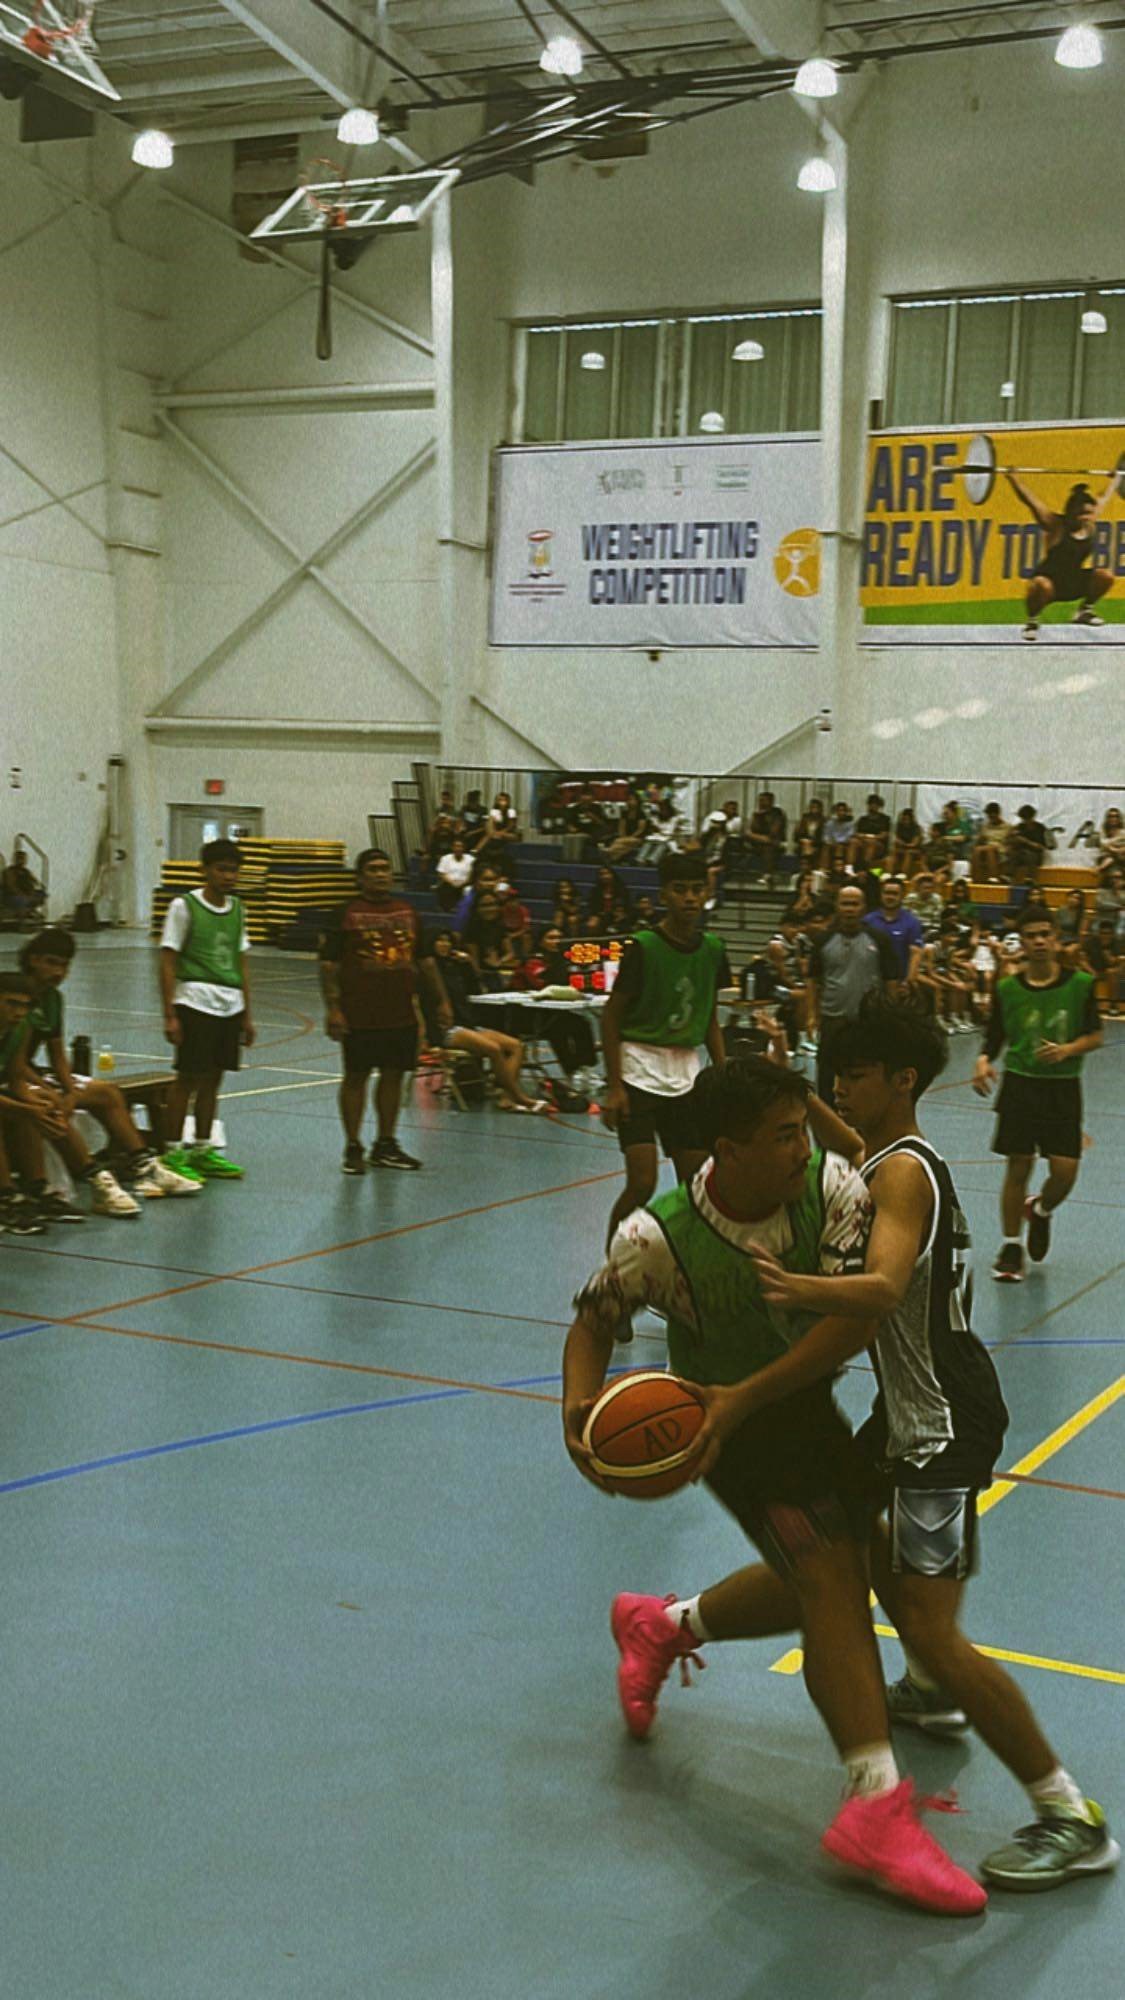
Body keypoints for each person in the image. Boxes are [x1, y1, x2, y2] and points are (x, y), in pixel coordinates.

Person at [563, 1056, 984, 1916]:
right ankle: (873, 1807)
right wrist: (579, 1414)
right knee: (831, 1581)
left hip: (784, 1400)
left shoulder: (829, 1189)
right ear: (727, 1149)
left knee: (837, 1576)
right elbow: (593, 1324)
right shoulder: (655, 1238)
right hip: (726, 1431)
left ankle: (660, 1625)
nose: (807, 1146)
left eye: (803, 1127)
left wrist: (747, 1394)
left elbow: (847, 1322)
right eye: (784, 1134)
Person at [723, 999, 1117, 1895]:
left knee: (931, 1628)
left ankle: (1068, 1814)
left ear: (900, 1079)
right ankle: (680, 1630)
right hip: (908, 1414)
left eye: (852, 1076)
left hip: (936, 1427)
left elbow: (886, 1284)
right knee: (823, 1558)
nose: (839, 1088)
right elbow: (852, 1151)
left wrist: (796, 1290)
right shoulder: (892, 1157)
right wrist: (797, 1091)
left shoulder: (900, 1176)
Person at [598, 849, 728, 1292]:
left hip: (685, 1073)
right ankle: (612, 1275)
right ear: (663, 895)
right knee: (642, 1183)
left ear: (706, 893)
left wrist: (723, 1072)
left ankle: (688, 1275)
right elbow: (611, 1017)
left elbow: (709, 1014)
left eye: (697, 890)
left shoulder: (712, 949)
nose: (690, 899)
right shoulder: (643, 946)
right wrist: (614, 1086)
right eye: (680, 890)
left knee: (699, 1185)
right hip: (638, 1071)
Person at [11, 930, 199, 1214]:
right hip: (17, 1075)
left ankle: (144, 1165)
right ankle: (95, 1180)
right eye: (51, 963)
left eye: (64, 965)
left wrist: (71, 1091)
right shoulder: (15, 994)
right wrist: (52, 1092)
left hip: (35, 1072)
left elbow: (58, 1054)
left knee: (107, 1093)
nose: (58, 972)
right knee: (50, 1106)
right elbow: (14, 1063)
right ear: (33, 960)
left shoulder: (53, 999)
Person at [973, 902, 1102, 1281]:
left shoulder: (1081, 985)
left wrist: (1067, 1050)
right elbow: (994, 1035)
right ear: (1023, 944)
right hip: (1020, 1084)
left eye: (1046, 934)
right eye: (1032, 936)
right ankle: (1011, 1247)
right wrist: (983, 1060)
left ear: (1056, 939)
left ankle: (1041, 1210)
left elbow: (1095, 1035)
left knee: (1064, 1172)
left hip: (1062, 1089)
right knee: (1019, 1165)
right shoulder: (1007, 988)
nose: (1040, 941)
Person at [319, 847, 452, 1175]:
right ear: (360, 876)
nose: (381, 874)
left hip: (400, 1013)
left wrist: (441, 1001)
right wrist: (333, 1009)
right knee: (356, 1077)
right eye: (373, 869)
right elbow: (327, 966)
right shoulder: (345, 913)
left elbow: (426, 962)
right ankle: (353, 1146)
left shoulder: (408, 911)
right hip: (359, 1013)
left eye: (385, 868)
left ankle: (386, 1143)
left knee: (393, 1076)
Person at [0, 969, 141, 1222]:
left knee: (40, 1108)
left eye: (25, 1006)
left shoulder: (19, 1028)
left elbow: (15, 1077)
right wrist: (27, 1108)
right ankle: (6, 1198)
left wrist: (46, 1099)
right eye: (11, 1004)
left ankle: (40, 1191)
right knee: (23, 1112)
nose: (19, 1012)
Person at [159, 838, 254, 1181]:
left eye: (234, 870)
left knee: (214, 1081)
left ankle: (202, 1149)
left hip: (229, 1004)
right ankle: (171, 1153)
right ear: (205, 870)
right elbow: (168, 959)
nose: (229, 876)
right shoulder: (184, 906)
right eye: (222, 869)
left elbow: (241, 962)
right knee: (187, 1079)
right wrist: (170, 1013)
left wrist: (247, 1013)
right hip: (194, 1001)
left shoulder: (239, 909)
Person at [423, 932, 548, 1115]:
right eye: (440, 940)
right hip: (445, 1029)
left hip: (467, 1024)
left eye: (447, 941)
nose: (445, 944)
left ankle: (506, 1098)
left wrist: (468, 964)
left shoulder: (453, 967)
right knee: (493, 1049)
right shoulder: (428, 971)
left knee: (516, 1046)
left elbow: (475, 989)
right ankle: (520, 1096)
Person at [807, 884, 899, 1103]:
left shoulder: (880, 940)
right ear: (837, 907)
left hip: (868, 1023)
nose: (850, 909)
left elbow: (891, 981)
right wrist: (812, 1015)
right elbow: (813, 981)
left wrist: (891, 1016)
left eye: (855, 904)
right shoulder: (823, 941)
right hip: (833, 1022)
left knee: (866, 1078)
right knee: (827, 1081)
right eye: (845, 903)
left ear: (864, 908)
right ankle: (828, 1132)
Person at [1006, 470, 1123, 641]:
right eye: (1082, 514)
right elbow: (1030, 501)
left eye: (1089, 514)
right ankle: (1032, 621)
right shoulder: (1055, 524)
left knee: (1105, 576)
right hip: (1050, 584)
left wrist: (1117, 478)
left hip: (1073, 581)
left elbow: (1103, 497)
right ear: (1071, 512)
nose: (1086, 518)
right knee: (1040, 585)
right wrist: (1013, 478)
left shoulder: (1089, 521)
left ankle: (1085, 611)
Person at [864, 876, 924, 984]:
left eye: (895, 894)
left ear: (902, 896)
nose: (890, 897)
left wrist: (908, 982)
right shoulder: (868, 920)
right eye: (887, 893)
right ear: (881, 895)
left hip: (899, 982)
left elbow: (915, 954)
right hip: (869, 981)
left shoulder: (912, 922)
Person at [0, 849, 46, 927]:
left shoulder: (25, 871)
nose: (22, 861)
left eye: (23, 859)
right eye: (20, 858)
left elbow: (35, 882)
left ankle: (29, 912)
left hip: (25, 894)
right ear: (15, 859)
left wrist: (34, 891)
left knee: (41, 895)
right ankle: (22, 919)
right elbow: (12, 887)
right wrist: (24, 895)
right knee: (22, 900)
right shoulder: (9, 871)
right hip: (12, 896)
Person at [1006, 804, 1049, 885]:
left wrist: (1026, 842)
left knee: (1029, 854)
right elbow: (1010, 840)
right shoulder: (1020, 827)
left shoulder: (1040, 828)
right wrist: (1012, 836)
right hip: (1020, 853)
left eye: (1026, 818)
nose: (1025, 821)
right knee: (1014, 853)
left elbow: (1041, 847)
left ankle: (1030, 878)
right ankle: (1009, 875)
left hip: (1035, 854)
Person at [972, 803, 1011, 883]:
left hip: (1001, 851)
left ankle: (994, 877)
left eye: (992, 815)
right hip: (985, 849)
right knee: (977, 850)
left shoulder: (1007, 827)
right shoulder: (985, 827)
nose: (990, 818)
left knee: (990, 849)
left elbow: (1010, 843)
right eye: (988, 815)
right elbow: (979, 841)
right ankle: (975, 877)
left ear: (997, 814)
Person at [434, 836, 474, 911]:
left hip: (465, 882)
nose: (458, 849)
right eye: (456, 846)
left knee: (467, 890)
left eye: (460, 846)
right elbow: (441, 874)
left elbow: (472, 873)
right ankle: (449, 908)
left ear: (464, 848)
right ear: (452, 848)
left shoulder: (470, 859)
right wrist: (452, 882)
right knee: (445, 889)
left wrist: (464, 882)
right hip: (449, 882)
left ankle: (463, 908)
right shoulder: (445, 858)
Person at [905, 870, 946, 940]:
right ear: (919, 888)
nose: (928, 890)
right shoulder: (910, 898)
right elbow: (904, 916)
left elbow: (936, 922)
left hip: (929, 930)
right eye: (925, 888)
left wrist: (928, 935)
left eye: (930, 888)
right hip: (911, 929)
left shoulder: (937, 899)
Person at [853, 795, 892, 868]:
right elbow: (857, 834)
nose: (872, 806)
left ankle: (865, 868)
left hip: (878, 844)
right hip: (864, 841)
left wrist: (871, 838)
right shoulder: (863, 819)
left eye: (875, 804)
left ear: (879, 806)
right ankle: (849, 867)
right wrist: (865, 837)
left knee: (871, 844)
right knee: (853, 842)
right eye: (870, 804)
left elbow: (884, 835)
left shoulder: (885, 819)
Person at [890, 806, 924, 878]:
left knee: (909, 853)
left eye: (906, 819)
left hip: (915, 850)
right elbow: (896, 839)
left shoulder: (916, 828)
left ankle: (903, 875)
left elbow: (914, 843)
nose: (904, 821)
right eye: (903, 819)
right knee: (893, 852)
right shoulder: (899, 826)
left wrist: (904, 844)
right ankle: (889, 874)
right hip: (903, 848)